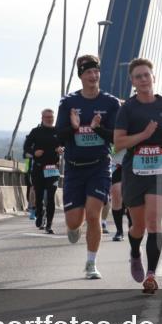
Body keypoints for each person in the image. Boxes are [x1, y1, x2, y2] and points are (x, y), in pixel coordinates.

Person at [114, 58, 162, 295]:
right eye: (138, 76)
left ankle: (151, 275)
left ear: (154, 77)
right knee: (138, 226)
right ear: (133, 82)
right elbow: (119, 142)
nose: (143, 79)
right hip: (134, 167)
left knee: (154, 222)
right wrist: (144, 134)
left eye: (147, 75)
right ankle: (135, 253)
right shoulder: (128, 108)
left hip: (160, 166)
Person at [55, 55, 122, 279]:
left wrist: (97, 130)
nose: (93, 76)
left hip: (99, 167)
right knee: (74, 221)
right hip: (74, 168)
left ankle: (91, 263)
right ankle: (73, 228)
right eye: (88, 73)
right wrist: (73, 128)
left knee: (93, 215)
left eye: (96, 72)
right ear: (81, 76)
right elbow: (58, 135)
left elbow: (116, 137)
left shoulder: (111, 103)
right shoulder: (68, 102)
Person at [23, 109, 62, 233]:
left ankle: (49, 225)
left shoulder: (58, 131)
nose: (50, 119)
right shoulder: (36, 132)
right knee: (39, 197)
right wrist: (34, 153)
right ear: (42, 118)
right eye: (47, 117)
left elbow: (66, 145)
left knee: (50, 197)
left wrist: (61, 149)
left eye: (51, 117)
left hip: (53, 168)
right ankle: (40, 214)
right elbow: (26, 148)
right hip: (39, 168)